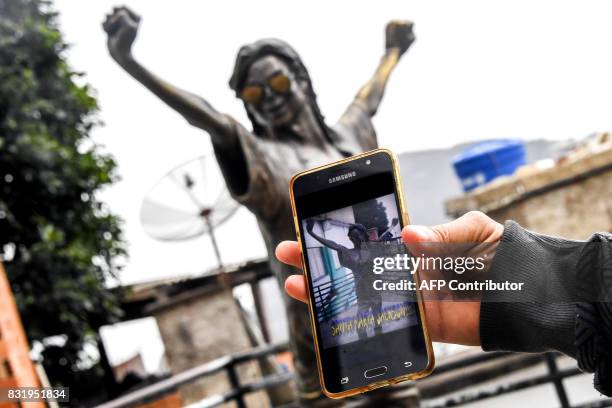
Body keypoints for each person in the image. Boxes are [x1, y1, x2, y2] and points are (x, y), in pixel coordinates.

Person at [103, 6, 417, 402]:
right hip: (320, 345)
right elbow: (207, 117)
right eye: (254, 93)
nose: (268, 98)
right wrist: (128, 61)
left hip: (389, 320)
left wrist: (392, 53)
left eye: (278, 82)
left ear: (302, 81)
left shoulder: (349, 137)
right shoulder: (261, 156)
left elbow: (368, 98)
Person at [276, 211, 612, 396]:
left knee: (372, 331)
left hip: (373, 301)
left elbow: (334, 245)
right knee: (377, 329)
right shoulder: (374, 252)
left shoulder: (352, 254)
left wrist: (315, 233)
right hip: (378, 301)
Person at [306, 220, 383, 339]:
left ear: (363, 235)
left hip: (376, 291)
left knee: (378, 321)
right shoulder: (348, 253)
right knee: (360, 326)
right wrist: (311, 233)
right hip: (362, 294)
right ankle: (366, 346)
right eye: (352, 237)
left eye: (357, 236)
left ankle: (382, 341)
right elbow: (333, 244)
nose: (355, 239)